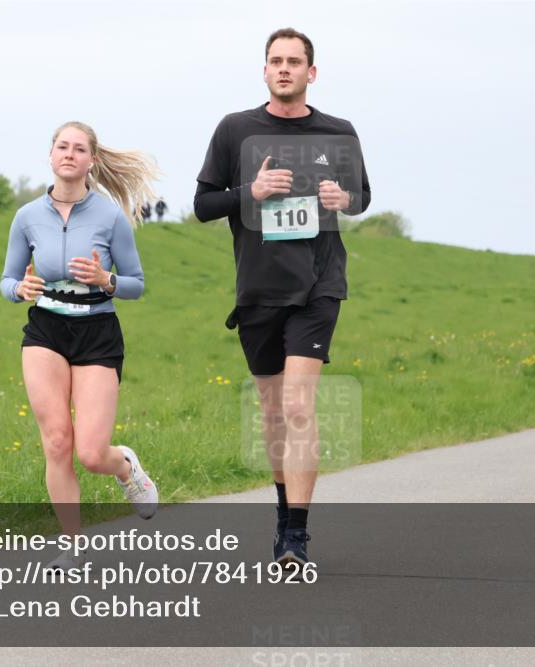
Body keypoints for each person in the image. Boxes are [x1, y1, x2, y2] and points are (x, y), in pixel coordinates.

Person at [194, 28, 371, 566]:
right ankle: (282, 512)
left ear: (311, 73)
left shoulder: (338, 133)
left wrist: (346, 197)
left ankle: (296, 534)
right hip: (258, 288)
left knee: (298, 405)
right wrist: (252, 192)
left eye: (295, 61)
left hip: (319, 287)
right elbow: (203, 205)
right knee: (273, 412)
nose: (285, 68)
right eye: (276, 61)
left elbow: (361, 196)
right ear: (265, 70)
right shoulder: (235, 130)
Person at [0, 121, 160, 569]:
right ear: (50, 156)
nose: (69, 154)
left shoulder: (109, 216)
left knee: (90, 453)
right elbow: (8, 278)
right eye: (62, 147)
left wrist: (105, 279)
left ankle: (125, 466)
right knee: (56, 441)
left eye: (79, 149)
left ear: (91, 161)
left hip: (97, 330)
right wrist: (20, 289)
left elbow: (135, 285)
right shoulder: (27, 216)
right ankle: (72, 546)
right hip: (46, 329)